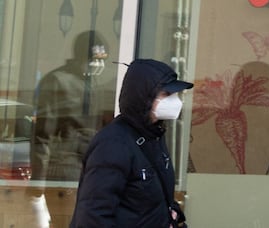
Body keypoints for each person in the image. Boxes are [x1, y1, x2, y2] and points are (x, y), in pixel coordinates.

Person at [69, 59, 193, 228]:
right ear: (144, 96)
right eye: (166, 94)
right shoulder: (113, 144)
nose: (175, 100)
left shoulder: (154, 135)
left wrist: (172, 214)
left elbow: (151, 198)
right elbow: (93, 214)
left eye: (175, 94)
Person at [32, 31, 114, 184]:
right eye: (94, 60)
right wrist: (38, 180)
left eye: (103, 60)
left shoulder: (92, 83)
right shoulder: (57, 81)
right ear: (80, 57)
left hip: (89, 166)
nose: (99, 65)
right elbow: (42, 134)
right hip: (61, 168)